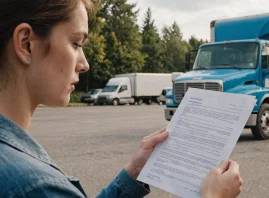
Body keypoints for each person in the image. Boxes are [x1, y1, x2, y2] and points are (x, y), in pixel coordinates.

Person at [0, 0, 243, 197]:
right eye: (75, 43)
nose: (84, 64)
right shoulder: (36, 187)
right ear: (26, 44)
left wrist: (134, 172)